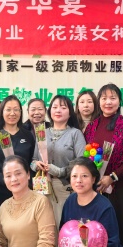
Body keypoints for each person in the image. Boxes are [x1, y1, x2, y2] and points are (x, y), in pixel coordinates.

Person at [84, 84, 123, 247]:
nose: (108, 102)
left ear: (119, 101)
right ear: (99, 101)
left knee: (119, 227)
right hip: (95, 187)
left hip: (120, 188)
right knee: (96, 228)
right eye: (104, 98)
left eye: (113, 98)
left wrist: (112, 177)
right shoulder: (92, 127)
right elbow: (85, 156)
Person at [31, 95, 86, 226]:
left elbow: (82, 163)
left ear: (70, 112)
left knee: (64, 225)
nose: (58, 110)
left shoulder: (75, 133)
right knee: (44, 225)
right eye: (54, 107)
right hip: (42, 187)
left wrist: (60, 171)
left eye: (63, 107)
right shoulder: (42, 132)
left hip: (65, 187)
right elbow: (33, 160)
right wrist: (36, 165)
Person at [0, 95, 35, 216]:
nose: (12, 113)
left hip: (24, 191)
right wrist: (5, 179)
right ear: (2, 112)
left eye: (16, 109)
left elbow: (31, 160)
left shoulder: (27, 135)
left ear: (21, 112)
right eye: (8, 109)